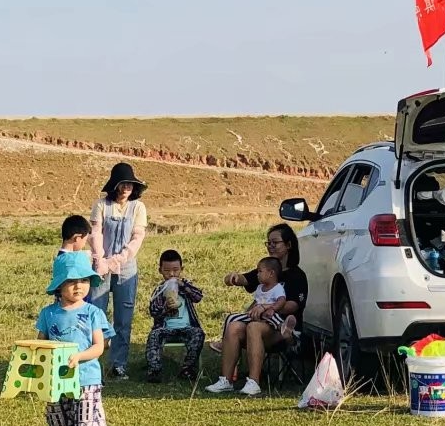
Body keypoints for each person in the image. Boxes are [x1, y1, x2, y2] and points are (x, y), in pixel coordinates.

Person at [36, 249, 118, 426]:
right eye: (72, 281)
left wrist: (78, 357)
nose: (79, 286)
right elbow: (40, 345)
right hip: (55, 384)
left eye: (84, 280)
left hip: (87, 382)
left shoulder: (94, 313)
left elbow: (99, 347)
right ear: (59, 286)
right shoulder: (48, 314)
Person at [208, 223, 306, 397]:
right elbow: (245, 279)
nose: (270, 246)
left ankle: (253, 382)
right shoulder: (265, 271)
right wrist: (233, 278)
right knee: (234, 326)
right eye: (268, 243)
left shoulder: (296, 276)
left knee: (253, 327)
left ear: (289, 245)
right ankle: (226, 380)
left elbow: (293, 306)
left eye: (275, 243)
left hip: (283, 330)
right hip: (261, 324)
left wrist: (267, 308)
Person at [88, 163, 148, 380]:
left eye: (129, 185)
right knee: (96, 314)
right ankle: (92, 363)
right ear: (114, 185)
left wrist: (117, 260)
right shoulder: (101, 205)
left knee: (124, 317)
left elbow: (137, 238)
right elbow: (95, 233)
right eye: (122, 184)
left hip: (126, 267)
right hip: (100, 266)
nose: (125, 189)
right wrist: (99, 259)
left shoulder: (138, 208)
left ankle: (118, 364)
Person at [143, 249, 206, 382]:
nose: (171, 274)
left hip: (186, 327)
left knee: (198, 333)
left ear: (181, 269)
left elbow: (198, 296)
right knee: (154, 335)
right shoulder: (159, 290)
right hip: (165, 328)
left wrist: (183, 286)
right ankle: (154, 370)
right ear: (160, 270)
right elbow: (153, 311)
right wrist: (165, 307)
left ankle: (188, 369)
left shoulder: (186, 286)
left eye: (175, 270)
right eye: (167, 271)